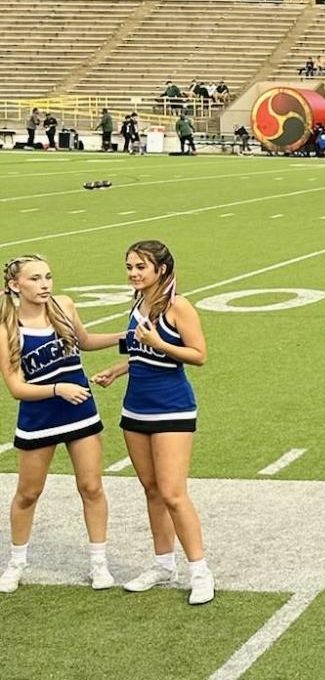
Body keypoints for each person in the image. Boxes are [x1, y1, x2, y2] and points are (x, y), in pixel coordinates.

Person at [90, 240, 212, 604]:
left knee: (174, 493)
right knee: (152, 489)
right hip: (135, 409)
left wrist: (159, 342)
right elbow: (142, 352)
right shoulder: (138, 302)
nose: (133, 274)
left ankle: (200, 571)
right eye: (129, 267)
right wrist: (119, 368)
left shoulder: (179, 306)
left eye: (141, 267)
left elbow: (198, 355)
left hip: (172, 408)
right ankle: (163, 564)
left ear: (161, 269)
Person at [0, 254, 120, 594]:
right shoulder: (8, 328)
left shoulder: (64, 305)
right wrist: (57, 389)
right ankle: (16, 563)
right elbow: (15, 388)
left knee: (92, 487)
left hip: (80, 411)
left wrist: (126, 337)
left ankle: (99, 563)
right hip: (40, 419)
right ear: (15, 285)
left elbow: (84, 341)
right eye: (35, 279)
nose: (44, 285)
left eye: (48, 277)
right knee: (28, 493)